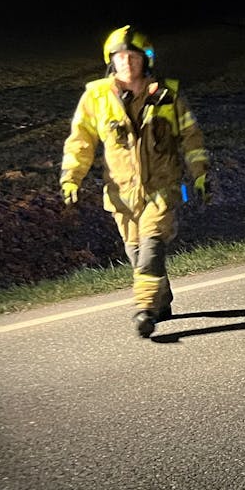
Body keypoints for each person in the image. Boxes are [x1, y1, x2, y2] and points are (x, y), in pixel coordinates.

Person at [61, 24, 209, 339]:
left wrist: (201, 174)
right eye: (121, 57)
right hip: (121, 194)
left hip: (162, 189)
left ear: (146, 60)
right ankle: (161, 297)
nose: (127, 62)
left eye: (134, 56)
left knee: (152, 246)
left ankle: (145, 310)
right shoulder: (96, 97)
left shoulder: (168, 94)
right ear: (111, 60)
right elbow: (80, 141)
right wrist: (71, 178)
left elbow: (191, 138)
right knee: (135, 252)